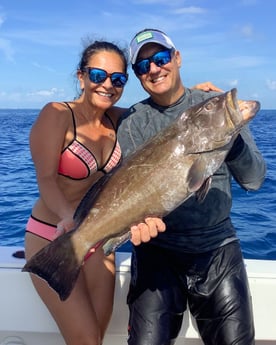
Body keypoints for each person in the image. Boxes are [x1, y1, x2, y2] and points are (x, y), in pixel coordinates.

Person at [117, 28, 267, 345]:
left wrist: (231, 141)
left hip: (218, 249)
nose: (154, 69)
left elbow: (254, 181)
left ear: (177, 57)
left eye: (160, 58)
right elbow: (131, 192)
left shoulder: (216, 106)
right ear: (138, 76)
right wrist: (131, 223)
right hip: (158, 252)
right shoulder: (133, 123)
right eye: (143, 66)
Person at [24, 40, 166, 345]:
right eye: (98, 75)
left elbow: (163, 114)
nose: (108, 85)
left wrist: (196, 97)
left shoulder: (120, 119)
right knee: (86, 339)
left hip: (98, 240)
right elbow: (46, 179)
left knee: (97, 338)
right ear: (81, 76)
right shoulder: (57, 114)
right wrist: (67, 218)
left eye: (118, 79)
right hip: (54, 235)